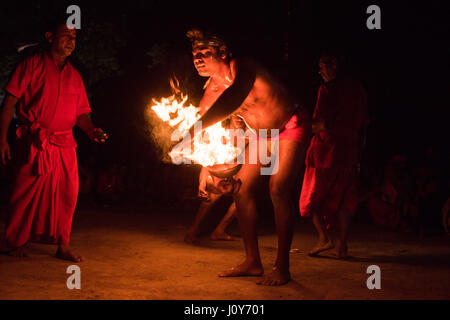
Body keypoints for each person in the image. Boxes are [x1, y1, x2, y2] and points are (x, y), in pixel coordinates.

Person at [177, 29, 311, 285]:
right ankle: (253, 262)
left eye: (205, 53)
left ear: (223, 53)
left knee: (278, 190)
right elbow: (206, 130)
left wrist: (195, 130)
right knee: (241, 189)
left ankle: (282, 268)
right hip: (261, 136)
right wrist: (205, 170)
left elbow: (232, 99)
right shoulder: (212, 90)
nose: (198, 58)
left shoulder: (244, 66)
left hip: (291, 126)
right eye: (195, 54)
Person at [0, 19, 107, 262]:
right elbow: (9, 103)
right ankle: (14, 240)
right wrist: (2, 140)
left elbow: (82, 115)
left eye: (74, 38)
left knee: (67, 194)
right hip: (35, 142)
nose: (71, 41)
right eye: (66, 35)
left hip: (64, 144)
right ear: (50, 36)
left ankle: (63, 244)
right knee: (24, 192)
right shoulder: (31, 65)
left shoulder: (75, 76)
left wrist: (92, 131)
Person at [299, 51, 369, 259]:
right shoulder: (358, 89)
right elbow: (364, 123)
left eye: (323, 65)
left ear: (334, 66)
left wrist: (297, 125)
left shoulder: (327, 90)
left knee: (311, 198)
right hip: (348, 152)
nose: (319, 70)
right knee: (344, 199)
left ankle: (324, 238)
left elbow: (320, 124)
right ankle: (342, 247)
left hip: (325, 153)